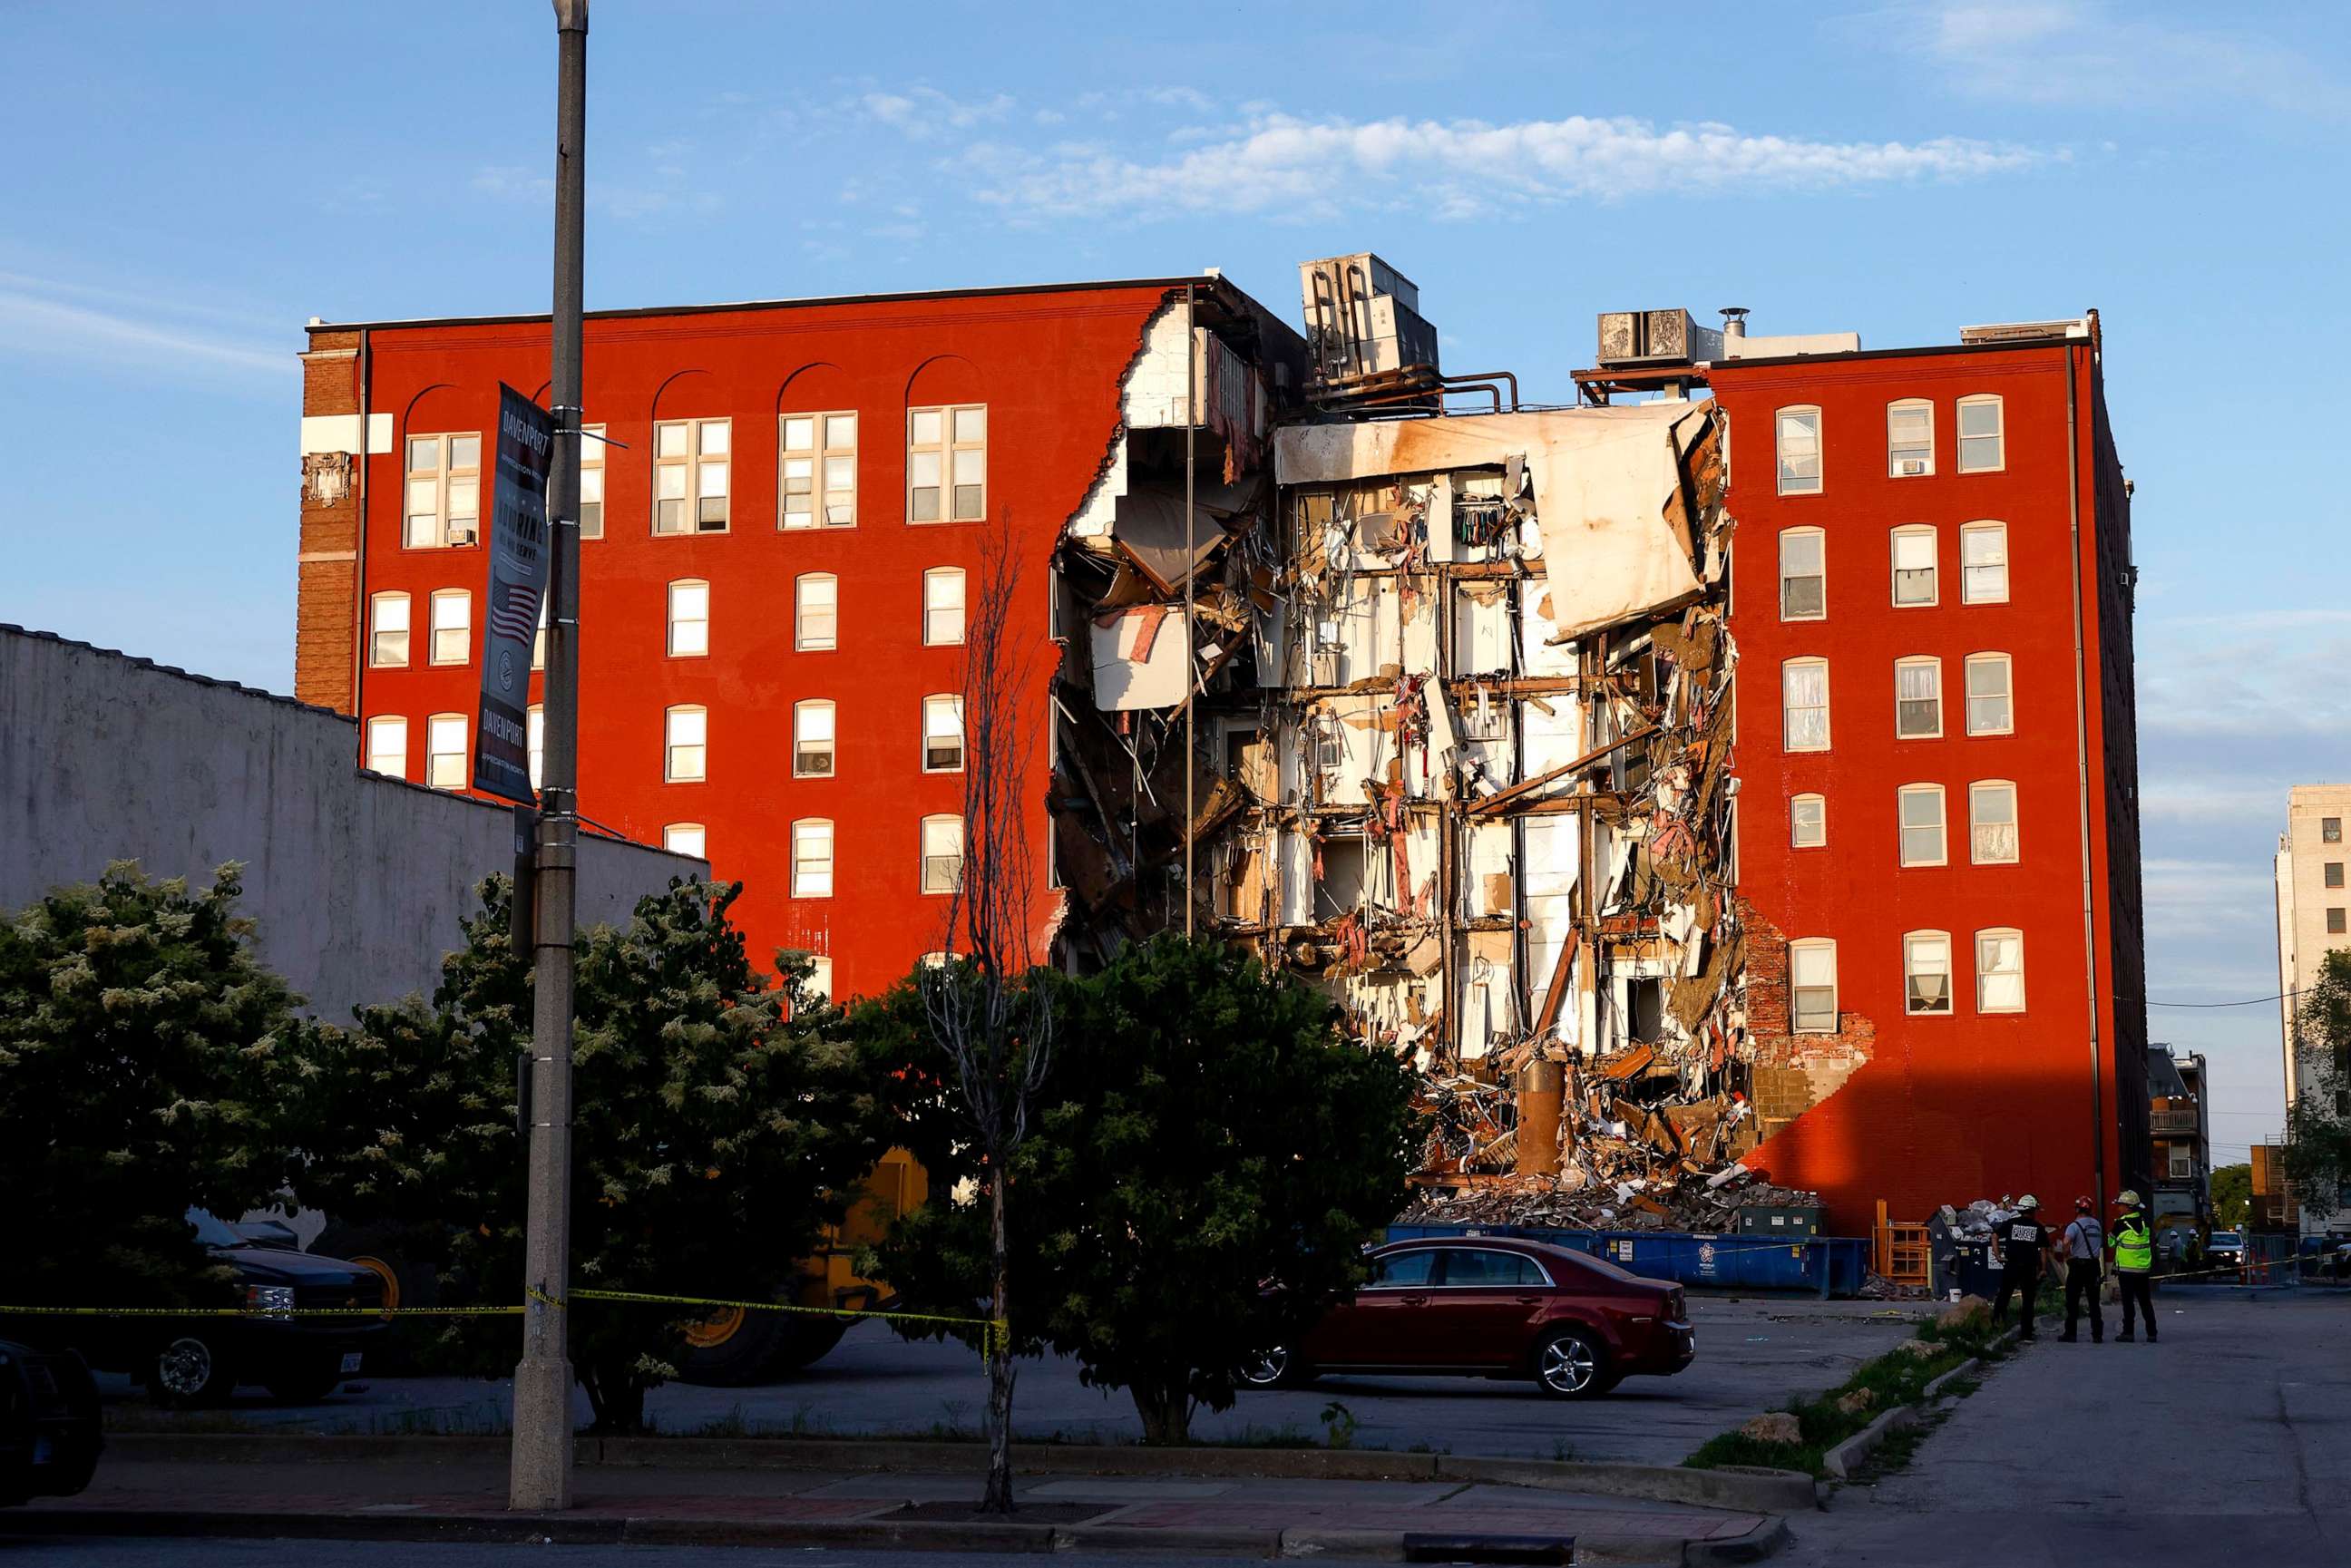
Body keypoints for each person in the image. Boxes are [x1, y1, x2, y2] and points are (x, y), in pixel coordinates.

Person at [1990, 1194, 2051, 1340]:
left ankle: (1997, 1325)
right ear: (2033, 1210)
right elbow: (2043, 1250)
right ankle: (2027, 1333)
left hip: (2011, 1265)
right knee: (2028, 1301)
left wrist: (1998, 1255)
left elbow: (1994, 1236)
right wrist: (2043, 1269)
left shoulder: (2011, 1223)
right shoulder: (2038, 1227)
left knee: (2004, 1296)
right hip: (2029, 1268)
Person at [2111, 1190, 2157, 1342]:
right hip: (2143, 1269)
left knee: (2128, 1303)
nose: (2118, 1208)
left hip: (2126, 1270)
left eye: (2120, 1205)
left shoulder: (2120, 1224)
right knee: (2145, 1302)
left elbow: (2111, 1243)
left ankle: (2128, 1332)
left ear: (2128, 1207)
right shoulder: (2145, 1222)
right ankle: (2152, 1333)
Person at [2058, 1196, 2104, 1342]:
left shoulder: (2074, 1225)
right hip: (2094, 1265)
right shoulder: (2097, 1224)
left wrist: (2067, 1256)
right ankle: (2097, 1334)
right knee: (2094, 1302)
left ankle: (2071, 1333)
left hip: (2078, 1265)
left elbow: (2066, 1243)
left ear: (2078, 1209)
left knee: (2072, 1301)